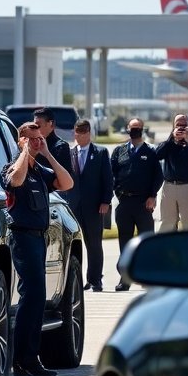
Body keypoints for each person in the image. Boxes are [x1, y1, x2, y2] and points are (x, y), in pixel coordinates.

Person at [2, 122, 74, 376]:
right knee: (32, 295)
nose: (37, 142)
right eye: (32, 138)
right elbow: (16, 180)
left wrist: (47, 153)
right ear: (21, 140)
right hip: (22, 237)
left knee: (36, 297)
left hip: (39, 237)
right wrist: (25, 151)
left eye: (39, 138)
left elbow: (67, 183)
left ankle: (27, 359)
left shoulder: (40, 171)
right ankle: (24, 359)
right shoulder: (13, 167)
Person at [109, 117, 163, 291]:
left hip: (143, 203)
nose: (135, 131)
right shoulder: (119, 151)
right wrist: (117, 192)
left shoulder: (150, 152)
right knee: (125, 243)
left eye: (138, 128)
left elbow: (158, 176)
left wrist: (152, 196)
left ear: (142, 130)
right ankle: (125, 279)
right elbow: (111, 174)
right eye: (132, 128)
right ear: (127, 129)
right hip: (124, 203)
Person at [62, 118, 114, 291]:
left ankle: (95, 279)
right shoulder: (70, 153)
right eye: (76, 132)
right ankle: (75, 280)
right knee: (73, 244)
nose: (78, 136)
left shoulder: (100, 152)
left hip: (94, 206)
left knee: (94, 244)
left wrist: (106, 201)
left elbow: (108, 179)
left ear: (88, 133)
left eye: (82, 133)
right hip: (73, 206)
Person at [154, 113, 188, 232]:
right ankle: (166, 244)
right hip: (169, 187)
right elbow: (157, 155)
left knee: (187, 224)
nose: (181, 128)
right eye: (178, 125)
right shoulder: (168, 144)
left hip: (187, 187)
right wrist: (172, 139)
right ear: (173, 126)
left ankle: (187, 244)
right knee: (167, 223)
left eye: (184, 125)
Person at [32, 106, 75, 178]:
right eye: (34, 126)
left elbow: (66, 177)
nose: (35, 129)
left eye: (38, 126)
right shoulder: (31, 145)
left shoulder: (61, 147)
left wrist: (46, 154)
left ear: (50, 124)